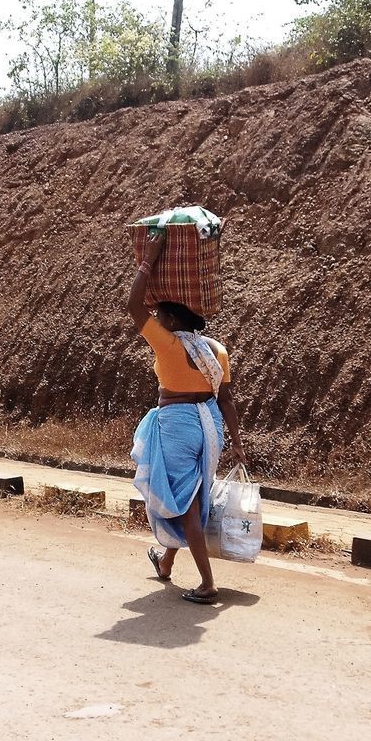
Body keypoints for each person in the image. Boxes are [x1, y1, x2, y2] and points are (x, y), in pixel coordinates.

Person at [127, 230, 246, 603]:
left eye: (160, 315)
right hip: (209, 425)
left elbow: (132, 305)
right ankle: (165, 562)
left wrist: (150, 256)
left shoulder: (170, 342)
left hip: (177, 423)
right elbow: (226, 400)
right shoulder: (217, 350)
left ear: (174, 320)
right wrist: (238, 444)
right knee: (191, 493)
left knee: (187, 503)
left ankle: (208, 584)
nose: (156, 319)